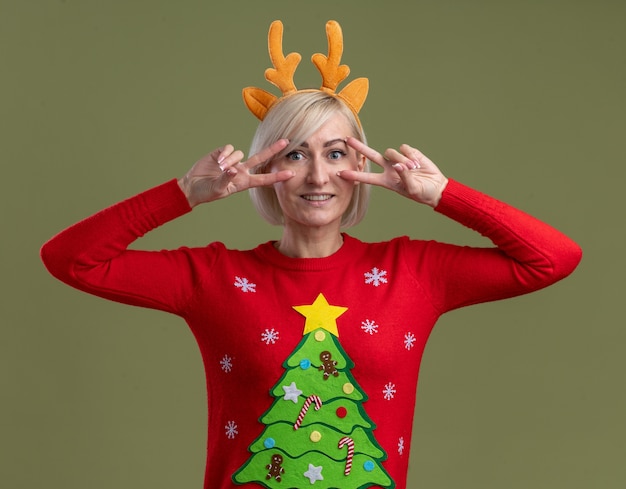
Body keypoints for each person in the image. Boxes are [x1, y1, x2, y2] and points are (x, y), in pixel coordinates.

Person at [41, 20, 582, 489]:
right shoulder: (214, 277)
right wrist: (184, 194)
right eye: (296, 153)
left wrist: (442, 195)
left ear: (359, 165)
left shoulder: (413, 272)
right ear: (266, 168)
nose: (318, 176)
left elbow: (553, 258)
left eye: (337, 153)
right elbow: (70, 259)